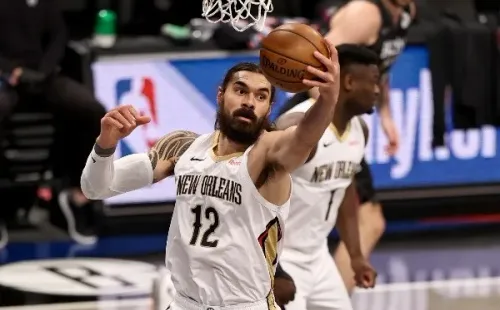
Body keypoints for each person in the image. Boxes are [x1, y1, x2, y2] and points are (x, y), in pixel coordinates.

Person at [80, 40, 341, 310]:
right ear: (220, 95)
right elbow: (95, 188)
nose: (249, 102)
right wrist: (106, 144)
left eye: (261, 96)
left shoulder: (267, 156)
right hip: (185, 303)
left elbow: (303, 138)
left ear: (269, 107)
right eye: (241, 91)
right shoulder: (181, 148)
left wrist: (328, 100)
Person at [280, 0, 416, 294]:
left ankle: (326, 296)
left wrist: (387, 115)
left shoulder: (406, 13)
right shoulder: (364, 13)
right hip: (317, 117)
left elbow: (379, 66)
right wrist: (329, 121)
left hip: (338, 121)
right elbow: (317, 69)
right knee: (366, 219)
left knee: (358, 217)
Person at [274, 44, 379, 310]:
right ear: (350, 82)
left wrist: (356, 256)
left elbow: (344, 189)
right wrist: (272, 268)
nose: (378, 91)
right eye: (375, 82)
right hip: (281, 258)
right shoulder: (298, 127)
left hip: (318, 256)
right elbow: (253, 192)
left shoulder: (360, 130)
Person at [0, 0, 106, 247]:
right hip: (6, 77)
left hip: (44, 77)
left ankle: (76, 195)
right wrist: (11, 70)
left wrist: (43, 72)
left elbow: (59, 37)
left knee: (92, 111)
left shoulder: (45, 4)